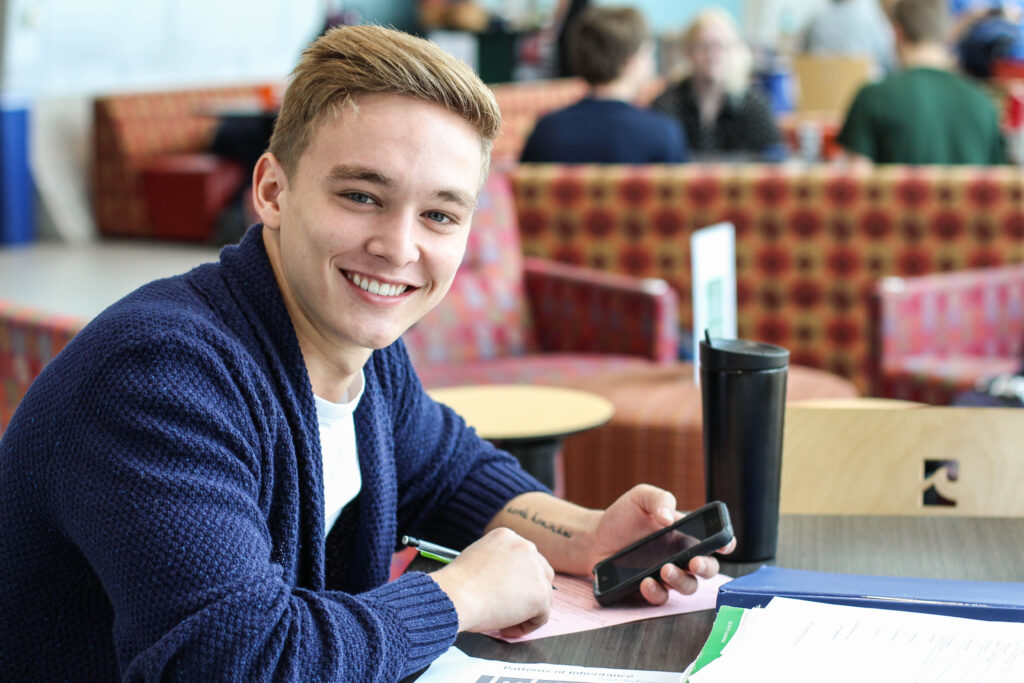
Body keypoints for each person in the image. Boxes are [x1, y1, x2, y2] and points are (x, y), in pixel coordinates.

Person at [0, 25, 732, 681]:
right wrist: (459, 595)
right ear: (273, 191)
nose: (399, 247)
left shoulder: (363, 353)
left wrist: (587, 532)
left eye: (440, 213)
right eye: (361, 196)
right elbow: (236, 659)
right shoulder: (161, 374)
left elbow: (451, 473)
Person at [837, 0, 1006, 164]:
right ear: (945, 33)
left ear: (898, 33)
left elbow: (856, 185)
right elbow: (999, 186)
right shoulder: (983, 104)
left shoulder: (871, 98)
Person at [520, 6, 688, 164]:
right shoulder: (663, 134)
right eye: (648, 53)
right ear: (631, 61)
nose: (652, 62)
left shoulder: (546, 131)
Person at [650, 9, 785, 162]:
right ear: (688, 52)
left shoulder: (755, 106)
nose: (712, 55)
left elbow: (776, 159)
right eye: (703, 46)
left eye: (720, 46)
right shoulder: (666, 105)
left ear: (733, 51)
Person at [801, 0, 899, 76]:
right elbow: (890, 59)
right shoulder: (872, 19)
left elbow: (802, 57)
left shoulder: (816, 20)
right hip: (863, 96)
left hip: (821, 95)